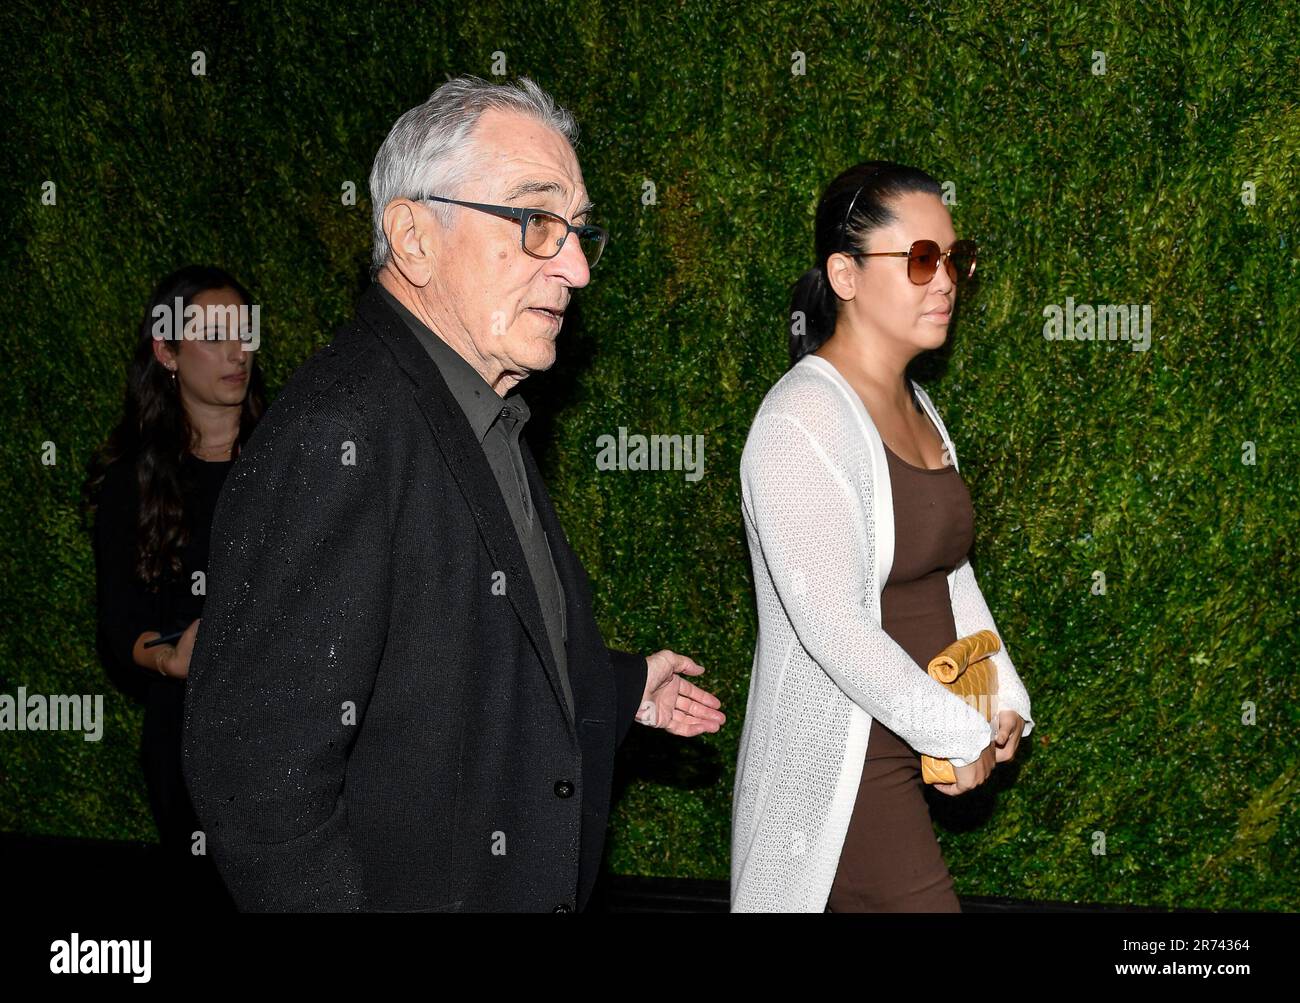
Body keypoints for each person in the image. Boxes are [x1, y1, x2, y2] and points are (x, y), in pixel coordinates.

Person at [181, 75, 725, 913]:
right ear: (414, 237)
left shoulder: (477, 408)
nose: (576, 267)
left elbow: (453, 653)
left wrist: (621, 687)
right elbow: (256, 772)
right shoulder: (345, 426)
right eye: (537, 221)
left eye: (579, 232)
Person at [731, 161, 1035, 912]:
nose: (947, 281)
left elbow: (949, 573)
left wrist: (1001, 697)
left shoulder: (920, 406)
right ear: (845, 274)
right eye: (922, 259)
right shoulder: (800, 421)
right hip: (845, 766)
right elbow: (832, 627)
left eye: (956, 259)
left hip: (918, 739)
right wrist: (955, 729)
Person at [84, 264, 264, 911]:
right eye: (214, 334)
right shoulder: (133, 484)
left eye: (244, 331)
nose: (237, 349)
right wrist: (169, 656)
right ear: (166, 350)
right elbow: (119, 626)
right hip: (189, 744)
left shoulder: (292, 461)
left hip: (300, 737)